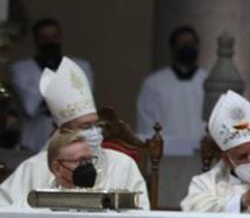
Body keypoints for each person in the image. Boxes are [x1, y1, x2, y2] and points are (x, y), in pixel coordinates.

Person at [0, 57, 147, 209]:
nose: (94, 132)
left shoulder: (123, 166)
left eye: (96, 125)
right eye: (85, 127)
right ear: (64, 131)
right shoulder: (34, 168)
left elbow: (141, 216)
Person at [10, 18, 94, 150]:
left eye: (54, 37)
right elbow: (30, 106)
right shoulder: (22, 69)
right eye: (44, 38)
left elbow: (81, 101)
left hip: (69, 140)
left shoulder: (80, 67)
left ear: (61, 38)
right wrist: (50, 71)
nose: (50, 43)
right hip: (34, 140)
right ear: (36, 41)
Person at [136, 25, 208, 156]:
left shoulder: (209, 81)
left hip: (202, 155)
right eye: (182, 44)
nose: (187, 48)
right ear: (173, 48)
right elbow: (146, 124)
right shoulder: (154, 83)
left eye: (191, 44)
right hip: (166, 155)